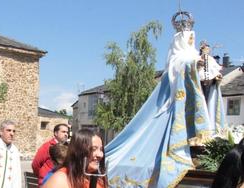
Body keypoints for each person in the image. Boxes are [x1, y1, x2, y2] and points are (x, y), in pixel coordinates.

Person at [105, 11, 226, 188]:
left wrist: (211, 73)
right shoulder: (179, 56)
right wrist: (193, 65)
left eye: (192, 37)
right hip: (177, 104)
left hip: (200, 99)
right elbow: (176, 69)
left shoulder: (195, 55)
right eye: (188, 38)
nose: (191, 40)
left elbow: (206, 76)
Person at [42, 129, 108, 188]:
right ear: (78, 151)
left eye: (101, 149)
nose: (100, 155)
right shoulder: (61, 180)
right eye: (93, 149)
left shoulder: (99, 179)